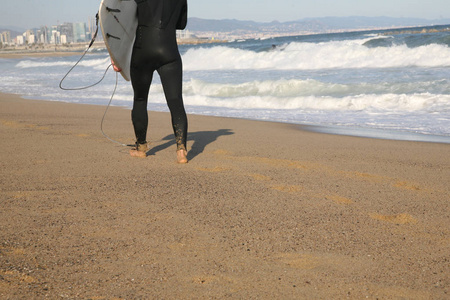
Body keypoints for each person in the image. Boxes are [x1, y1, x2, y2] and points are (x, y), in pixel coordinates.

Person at [113, 0, 188, 163]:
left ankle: (141, 148)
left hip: (142, 51)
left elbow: (125, 21)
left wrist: (116, 56)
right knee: (176, 101)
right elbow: (181, 24)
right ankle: (181, 150)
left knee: (140, 99)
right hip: (169, 52)